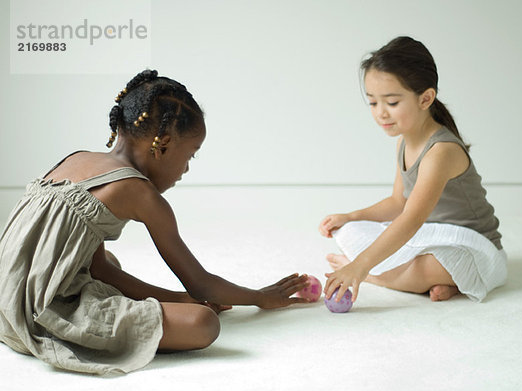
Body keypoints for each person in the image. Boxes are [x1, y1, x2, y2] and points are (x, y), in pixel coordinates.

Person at [0, 69, 309, 375]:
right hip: (38, 313)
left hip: (6, 298)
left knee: (108, 259)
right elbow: (200, 282)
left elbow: (98, 269)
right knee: (202, 323)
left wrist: (180, 299)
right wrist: (258, 297)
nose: (186, 169)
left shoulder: (76, 158)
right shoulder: (140, 192)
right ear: (162, 145)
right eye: (191, 155)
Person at [319, 37, 507, 304]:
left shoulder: (440, 151)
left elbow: (410, 220)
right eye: (373, 103)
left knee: (429, 264)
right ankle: (436, 282)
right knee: (349, 231)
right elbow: (399, 203)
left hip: (473, 247)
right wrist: (352, 216)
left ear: (425, 98)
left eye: (392, 103)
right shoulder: (404, 140)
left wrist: (359, 267)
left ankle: (378, 276)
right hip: (430, 235)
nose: (381, 113)